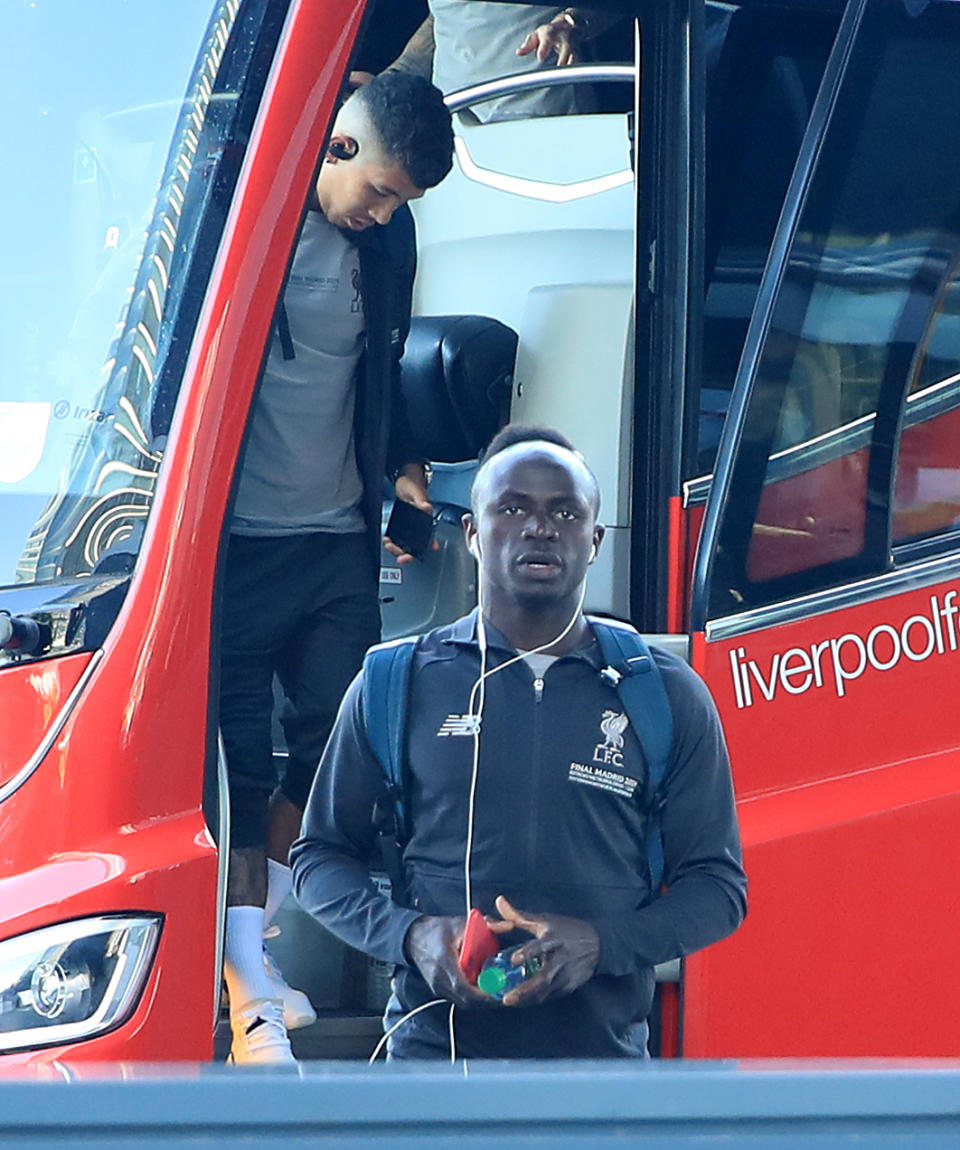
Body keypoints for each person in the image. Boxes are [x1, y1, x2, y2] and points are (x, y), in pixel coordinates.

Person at [291, 425, 747, 1060]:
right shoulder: (394, 681)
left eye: (565, 511)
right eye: (512, 508)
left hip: (602, 1083)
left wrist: (601, 944)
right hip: (431, 1074)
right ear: (474, 535)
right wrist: (413, 936)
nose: (540, 527)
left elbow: (718, 888)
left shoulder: (664, 692)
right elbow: (318, 860)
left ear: (593, 542)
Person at [219, 71, 454, 1064]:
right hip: (235, 548)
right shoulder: (247, 212)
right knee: (235, 770)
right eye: (384, 191)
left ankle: (250, 955)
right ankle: (248, 992)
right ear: (339, 147)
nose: (386, 213)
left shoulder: (383, 242)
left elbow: (382, 365)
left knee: (325, 762)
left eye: (402, 203)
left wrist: (399, 470)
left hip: (335, 541)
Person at [381, 4, 621, 123]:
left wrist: (572, 22)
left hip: (544, 117)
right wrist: (394, 76)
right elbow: (450, 13)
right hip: (449, 123)